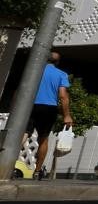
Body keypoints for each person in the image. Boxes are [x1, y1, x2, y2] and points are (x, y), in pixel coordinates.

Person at [23, 50, 72, 179]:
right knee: (43, 138)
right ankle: (37, 171)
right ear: (58, 62)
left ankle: (7, 165)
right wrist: (67, 115)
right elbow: (63, 96)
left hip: (30, 105)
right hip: (49, 109)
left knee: (23, 134)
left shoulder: (34, 70)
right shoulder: (61, 74)